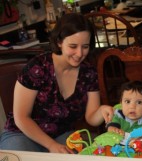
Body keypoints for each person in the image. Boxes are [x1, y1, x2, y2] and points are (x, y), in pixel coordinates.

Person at [0, 13, 113, 153]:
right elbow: (21, 118)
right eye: (73, 46)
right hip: (22, 134)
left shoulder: (89, 73)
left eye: (85, 46)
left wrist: (102, 111)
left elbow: (91, 118)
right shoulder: (38, 68)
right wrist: (51, 145)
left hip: (61, 136)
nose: (79, 53)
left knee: (91, 158)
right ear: (59, 42)